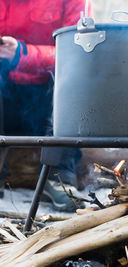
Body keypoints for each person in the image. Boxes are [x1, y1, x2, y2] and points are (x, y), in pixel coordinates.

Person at [0, 0, 91, 211]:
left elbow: (79, 51)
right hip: (5, 99)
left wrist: (23, 54)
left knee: (74, 76)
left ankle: (59, 176)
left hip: (48, 100)